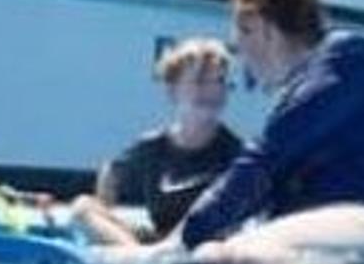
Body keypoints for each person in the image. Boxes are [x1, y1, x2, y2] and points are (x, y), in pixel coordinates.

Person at [169, 0, 364, 264]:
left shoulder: (349, 56)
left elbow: (264, 160)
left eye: (239, 48)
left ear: (259, 27)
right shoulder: (295, 95)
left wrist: (176, 243)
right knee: (213, 254)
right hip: (319, 237)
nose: (243, 65)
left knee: (231, 256)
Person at [70, 38, 243, 247]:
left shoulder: (238, 154)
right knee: (83, 206)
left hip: (208, 252)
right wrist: (106, 207)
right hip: (159, 249)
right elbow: (112, 170)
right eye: (200, 81)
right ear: (172, 90)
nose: (212, 91)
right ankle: (138, 262)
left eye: (220, 81)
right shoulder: (151, 148)